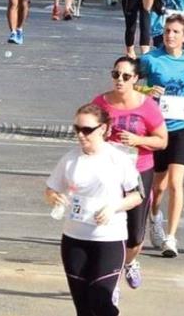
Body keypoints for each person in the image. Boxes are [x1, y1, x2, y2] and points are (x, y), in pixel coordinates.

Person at [45, 103, 143, 314]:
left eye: (87, 130)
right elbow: (50, 189)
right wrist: (55, 198)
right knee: (84, 307)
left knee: (102, 301)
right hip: (74, 239)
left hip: (108, 239)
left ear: (103, 129)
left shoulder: (118, 159)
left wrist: (114, 207)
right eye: (77, 129)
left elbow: (137, 195)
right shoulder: (70, 159)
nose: (81, 135)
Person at [92, 57, 168, 289]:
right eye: (116, 75)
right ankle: (110, 278)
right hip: (108, 172)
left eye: (126, 76)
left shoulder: (147, 106)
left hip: (138, 170)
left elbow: (162, 141)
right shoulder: (101, 103)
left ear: (135, 79)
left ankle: (130, 262)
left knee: (135, 234)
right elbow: (87, 131)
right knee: (106, 226)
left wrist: (138, 140)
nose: (120, 80)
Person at [140, 15, 184, 257]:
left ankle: (171, 237)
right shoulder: (151, 60)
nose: (170, 35)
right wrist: (146, 90)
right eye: (167, 31)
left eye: (176, 32)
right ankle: (155, 217)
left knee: (176, 182)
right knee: (159, 185)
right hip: (157, 127)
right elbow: (128, 80)